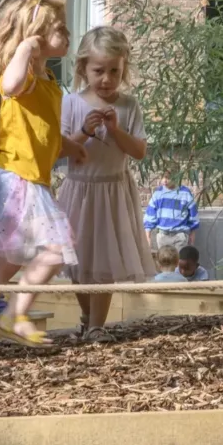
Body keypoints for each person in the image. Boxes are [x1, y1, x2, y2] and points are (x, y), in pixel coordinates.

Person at [0, 0, 88, 358]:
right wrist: (25, 48)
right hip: (18, 180)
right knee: (56, 252)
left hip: (22, 176)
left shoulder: (45, 81)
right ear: (37, 36)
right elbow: (9, 86)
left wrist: (73, 146)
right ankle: (15, 315)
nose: (68, 34)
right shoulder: (21, 76)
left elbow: (41, 132)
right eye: (60, 28)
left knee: (7, 263)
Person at [59, 26, 153, 340]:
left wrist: (115, 131)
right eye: (99, 71)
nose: (106, 79)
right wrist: (84, 131)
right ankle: (86, 318)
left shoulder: (128, 105)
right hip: (80, 190)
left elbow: (139, 151)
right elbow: (62, 151)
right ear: (83, 68)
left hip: (113, 190)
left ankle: (98, 325)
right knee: (80, 260)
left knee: (104, 262)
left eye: (114, 71)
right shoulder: (72, 103)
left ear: (124, 68)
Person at [143, 175, 199, 251]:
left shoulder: (185, 193)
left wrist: (192, 234)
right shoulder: (158, 193)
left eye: (168, 178)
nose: (164, 180)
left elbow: (193, 215)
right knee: (165, 261)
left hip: (180, 235)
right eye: (163, 177)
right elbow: (150, 215)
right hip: (163, 235)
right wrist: (148, 237)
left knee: (179, 261)